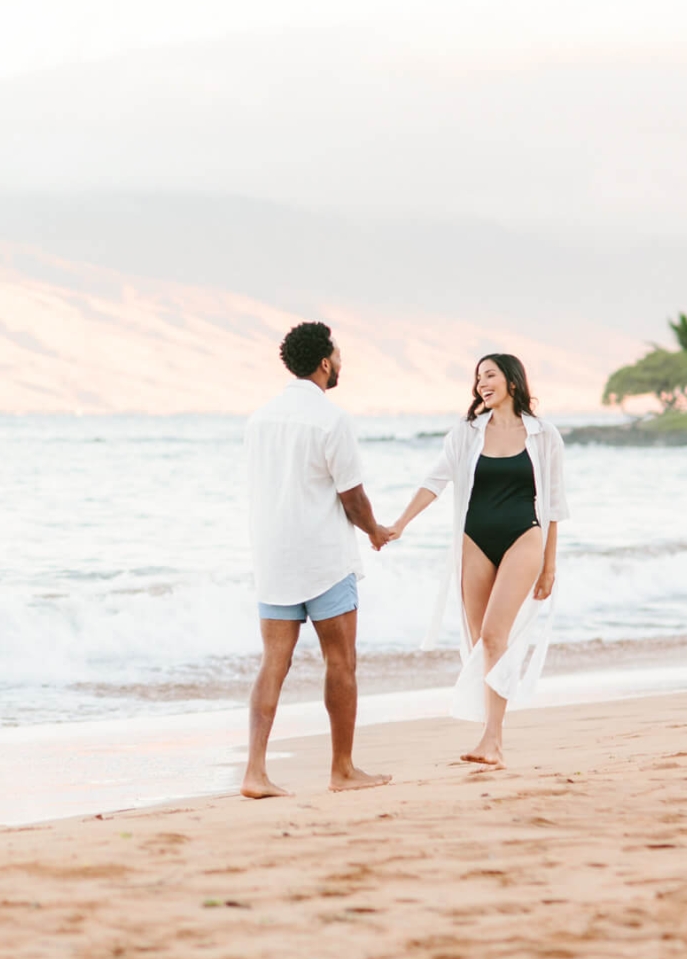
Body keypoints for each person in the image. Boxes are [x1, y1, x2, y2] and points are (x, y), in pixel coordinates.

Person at [385, 353, 570, 768]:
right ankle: (490, 735)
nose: (482, 383)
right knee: (481, 642)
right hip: (474, 540)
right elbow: (435, 481)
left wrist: (550, 564)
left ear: (512, 381)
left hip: (525, 535)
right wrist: (400, 524)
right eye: (478, 378)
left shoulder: (544, 435)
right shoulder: (466, 434)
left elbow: (555, 503)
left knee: (494, 634)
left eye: (490, 375)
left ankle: (493, 739)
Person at [241, 321, 394, 799]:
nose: (342, 361)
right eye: (339, 354)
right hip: (324, 559)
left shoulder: (259, 419)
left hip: (273, 558)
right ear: (325, 362)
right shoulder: (333, 420)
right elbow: (352, 496)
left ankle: (254, 773)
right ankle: (342, 770)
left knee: (273, 663)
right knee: (340, 661)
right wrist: (376, 531)